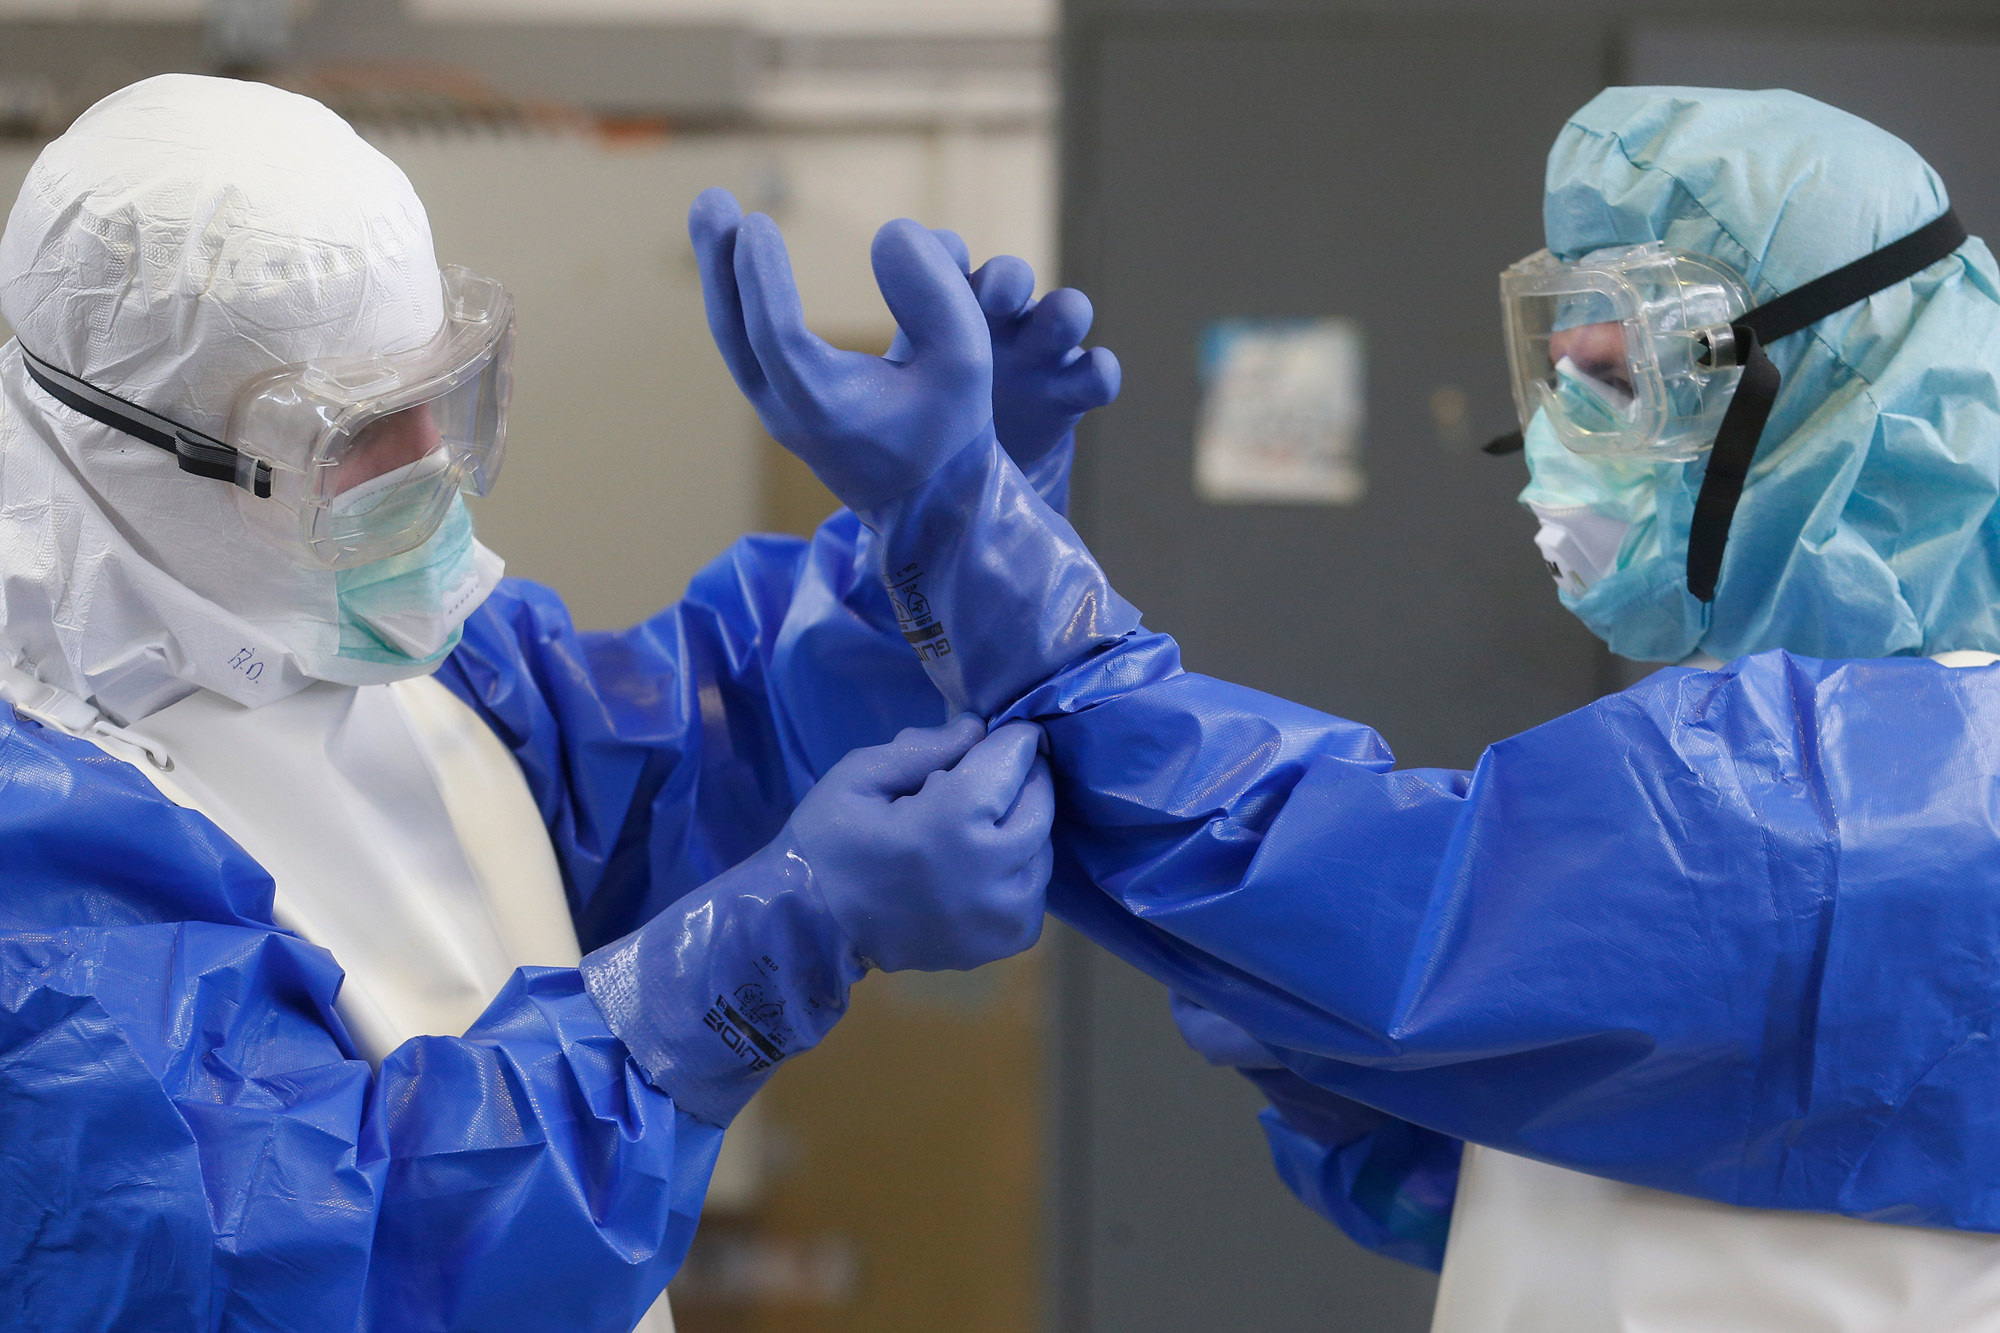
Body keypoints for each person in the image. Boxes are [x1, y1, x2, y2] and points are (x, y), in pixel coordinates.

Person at [692, 85, 2000, 1329]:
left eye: (1620, 383)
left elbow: (1296, 858)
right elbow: (1676, 1172)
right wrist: (1394, 1112)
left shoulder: (1881, 798)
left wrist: (967, 527)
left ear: (1834, 384)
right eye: (1559, 375)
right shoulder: (1859, 735)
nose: (1559, 445)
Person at [0, 73, 1120, 1332]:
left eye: (442, 385)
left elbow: (666, 762)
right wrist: (770, 945)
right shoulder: (40, 857)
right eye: (352, 432)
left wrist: (936, 547)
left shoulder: (352, 624)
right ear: (128, 451)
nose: (430, 464)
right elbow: (331, 1258)